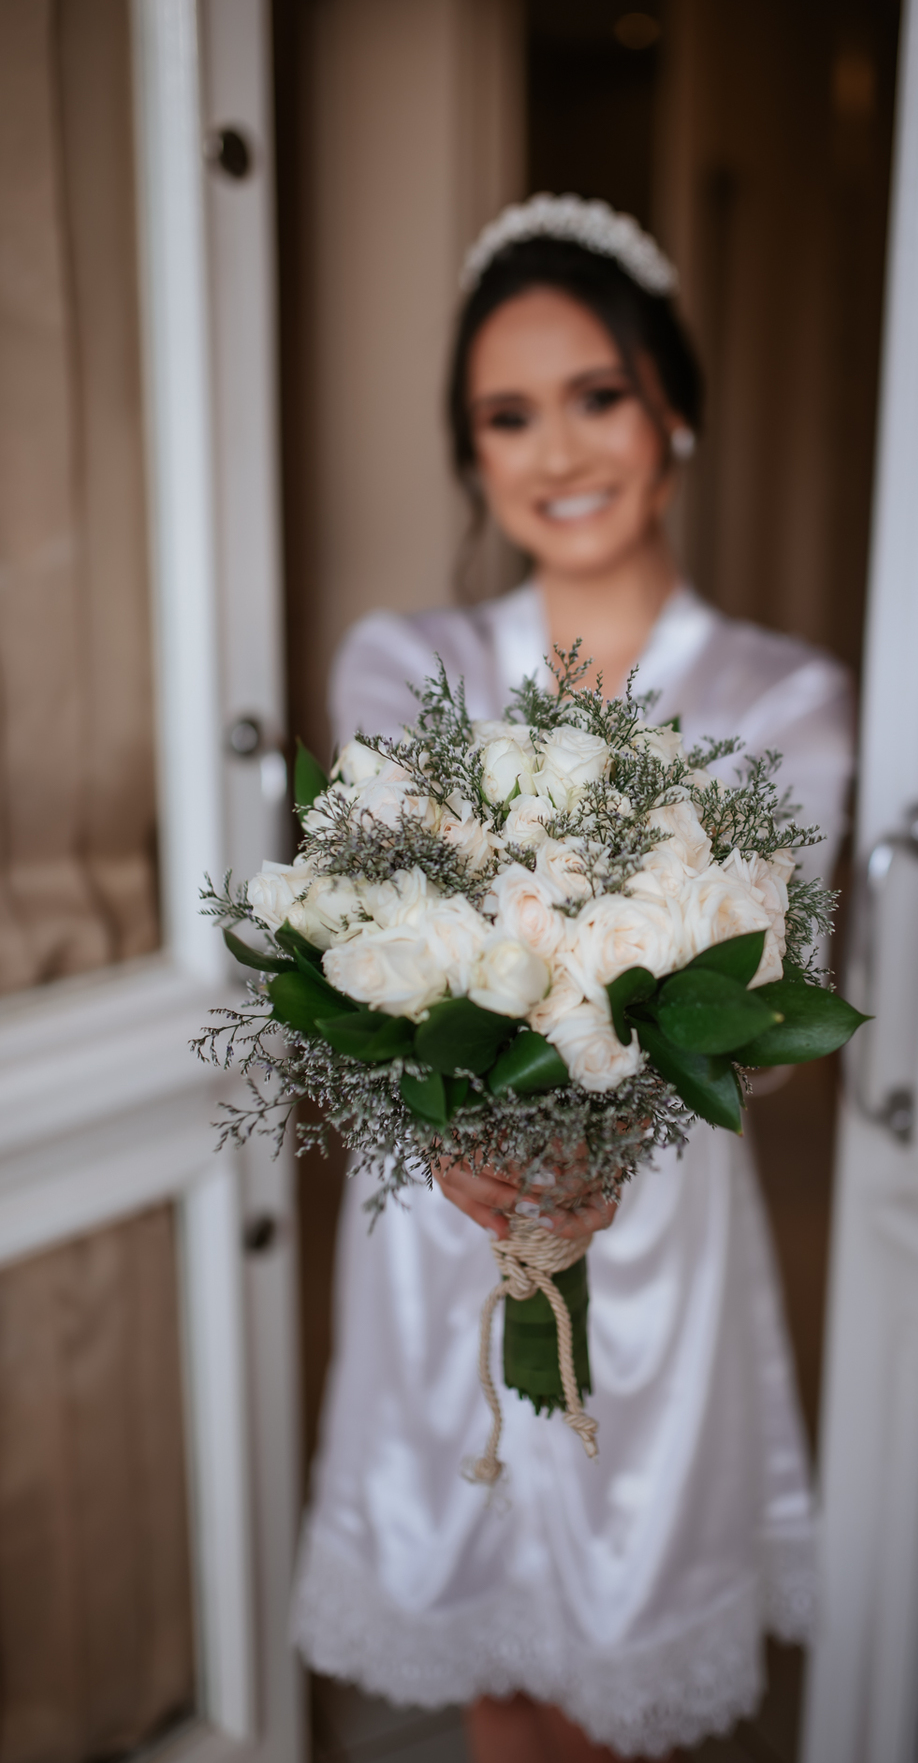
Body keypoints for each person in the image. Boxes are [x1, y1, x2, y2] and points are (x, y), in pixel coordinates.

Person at [292, 196, 855, 1762]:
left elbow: (773, 1025)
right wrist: (477, 1141)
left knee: (614, 1652)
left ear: (673, 406)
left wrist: (605, 1150)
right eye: (507, 415)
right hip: (445, 1218)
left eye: (598, 394)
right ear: (471, 455)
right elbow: (371, 956)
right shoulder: (401, 664)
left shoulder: (783, 698)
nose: (558, 449)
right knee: (497, 1655)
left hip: (654, 1230)